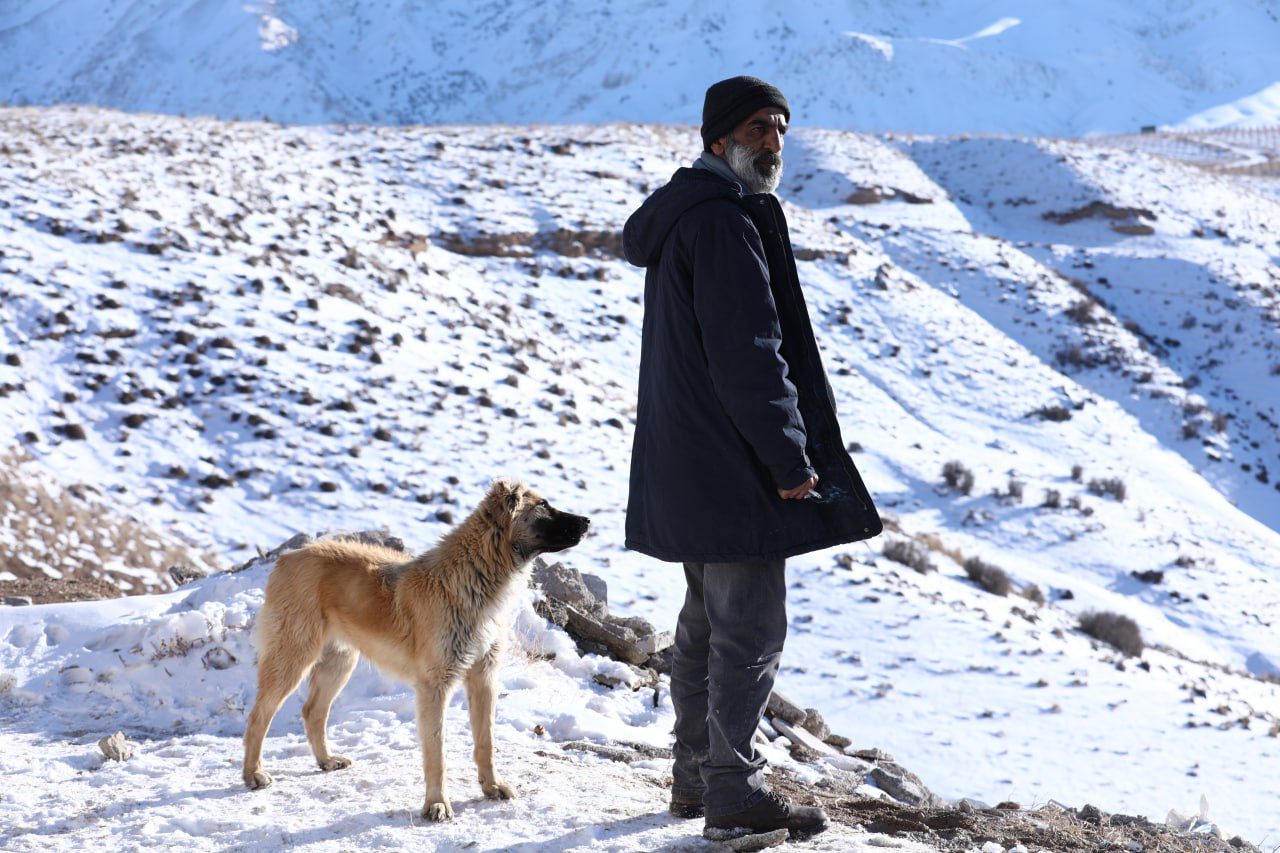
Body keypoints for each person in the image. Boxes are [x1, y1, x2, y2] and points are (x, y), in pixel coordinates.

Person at [621, 76, 882, 837]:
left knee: (705, 624)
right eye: (759, 129)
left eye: (781, 130)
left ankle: (696, 777)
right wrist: (790, 459)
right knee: (752, 629)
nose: (773, 143)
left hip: (689, 463)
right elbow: (751, 358)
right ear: (718, 138)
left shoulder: (688, 218)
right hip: (732, 467)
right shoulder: (725, 224)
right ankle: (732, 791)